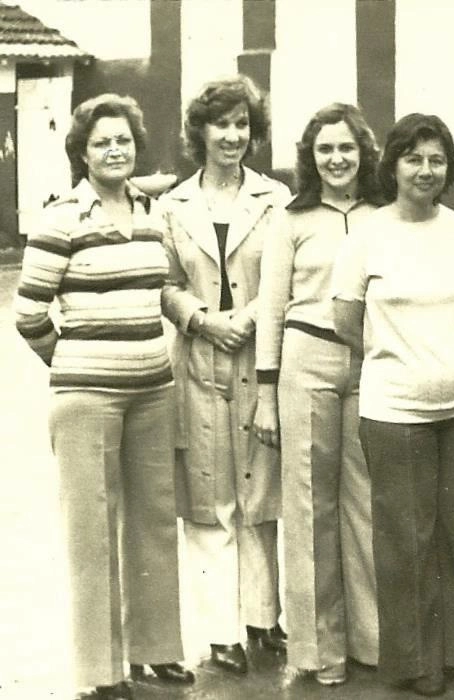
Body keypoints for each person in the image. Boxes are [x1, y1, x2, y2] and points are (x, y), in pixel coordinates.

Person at [14, 94, 193, 699]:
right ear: (82, 154)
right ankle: (100, 671)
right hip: (86, 398)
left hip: (152, 391)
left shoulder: (152, 213)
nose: (115, 150)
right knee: (92, 537)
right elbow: (28, 313)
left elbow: (162, 287)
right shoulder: (61, 218)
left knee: (153, 525)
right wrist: (71, 363)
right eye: (101, 143)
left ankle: (156, 651)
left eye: (123, 140)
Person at [332, 113, 454, 696]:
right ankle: (417, 665)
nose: (425, 170)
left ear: (448, 167)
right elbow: (345, 319)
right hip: (394, 412)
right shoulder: (367, 234)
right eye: (414, 158)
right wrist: (399, 359)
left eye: (436, 160)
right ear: (394, 166)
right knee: (407, 541)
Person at [160, 76, 289, 675]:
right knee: (210, 501)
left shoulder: (276, 199)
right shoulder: (172, 205)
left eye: (243, 125)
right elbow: (164, 283)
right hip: (198, 363)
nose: (233, 136)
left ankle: (264, 621)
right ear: (200, 133)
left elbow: (289, 279)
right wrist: (203, 322)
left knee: (260, 494)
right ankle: (220, 634)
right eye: (222, 125)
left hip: (261, 363)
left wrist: (248, 319)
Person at [254, 103, 382, 686]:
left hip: (374, 362)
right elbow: (272, 309)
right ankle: (318, 650)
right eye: (325, 149)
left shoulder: (384, 214)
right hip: (307, 359)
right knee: (309, 505)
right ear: (311, 157)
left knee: (366, 500)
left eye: (347, 149)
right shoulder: (291, 218)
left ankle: (372, 643)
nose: (336, 159)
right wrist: (264, 388)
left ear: (363, 154)